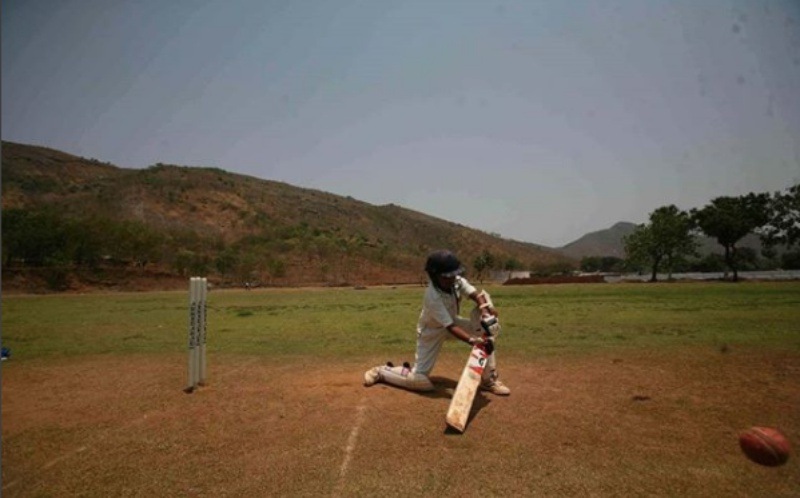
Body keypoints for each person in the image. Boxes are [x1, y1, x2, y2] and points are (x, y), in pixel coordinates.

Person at [363, 249, 510, 395]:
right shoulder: (432, 296)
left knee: (486, 325)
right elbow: (450, 327)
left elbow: (476, 295)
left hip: (453, 322)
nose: (452, 279)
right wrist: (473, 341)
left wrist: (485, 312)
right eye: (447, 277)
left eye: (454, 275)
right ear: (434, 276)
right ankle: (382, 372)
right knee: (420, 381)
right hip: (431, 331)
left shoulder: (457, 281)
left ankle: (488, 380)